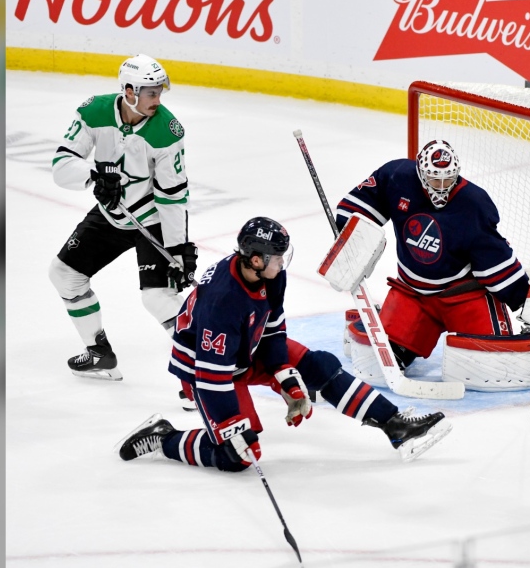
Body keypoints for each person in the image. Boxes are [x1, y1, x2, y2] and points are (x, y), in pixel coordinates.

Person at [118, 217, 452, 470]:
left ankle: (394, 424)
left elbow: (273, 329)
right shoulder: (221, 302)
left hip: (245, 349)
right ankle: (165, 438)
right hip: (202, 371)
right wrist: (230, 425)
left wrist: (285, 377)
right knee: (237, 454)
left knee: (320, 366)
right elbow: (211, 378)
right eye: (276, 257)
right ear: (255, 260)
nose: (283, 262)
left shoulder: (272, 275)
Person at [332, 140, 530, 391]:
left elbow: (493, 259)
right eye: (433, 179)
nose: (440, 187)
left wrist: (523, 298)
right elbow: (355, 207)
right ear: (420, 172)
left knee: (490, 363)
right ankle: (385, 322)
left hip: (463, 296)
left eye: (447, 179)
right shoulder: (396, 177)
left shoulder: (473, 203)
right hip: (412, 294)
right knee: (376, 362)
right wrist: (349, 238)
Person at [48, 54, 198, 382]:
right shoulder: (94, 111)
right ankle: (100, 353)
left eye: (160, 92)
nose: (158, 100)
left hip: (151, 218)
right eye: (151, 93)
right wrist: (93, 175)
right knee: (65, 275)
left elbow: (172, 196)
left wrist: (177, 248)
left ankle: (202, 370)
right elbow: (61, 166)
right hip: (111, 213)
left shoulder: (167, 131)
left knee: (158, 299)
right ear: (129, 91)